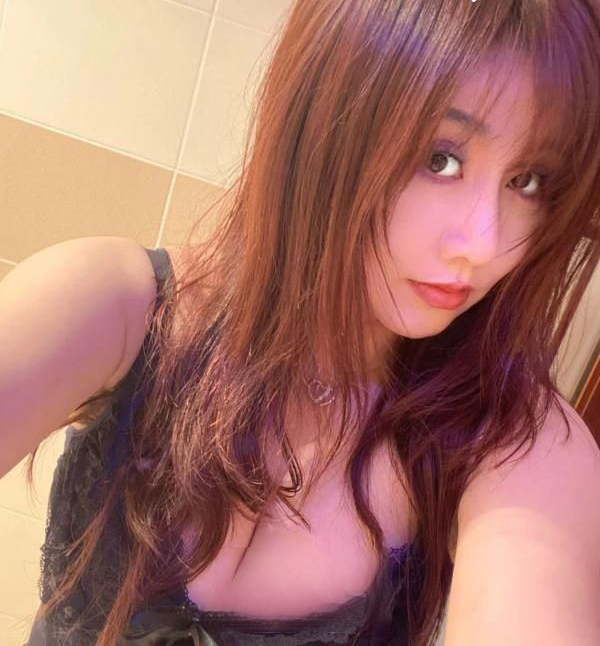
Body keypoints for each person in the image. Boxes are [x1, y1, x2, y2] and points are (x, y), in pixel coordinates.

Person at [3, 0, 599, 644]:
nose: (486, 244)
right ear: (324, 118)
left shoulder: (517, 441)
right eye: (440, 159)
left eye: (528, 180)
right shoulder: (115, 305)